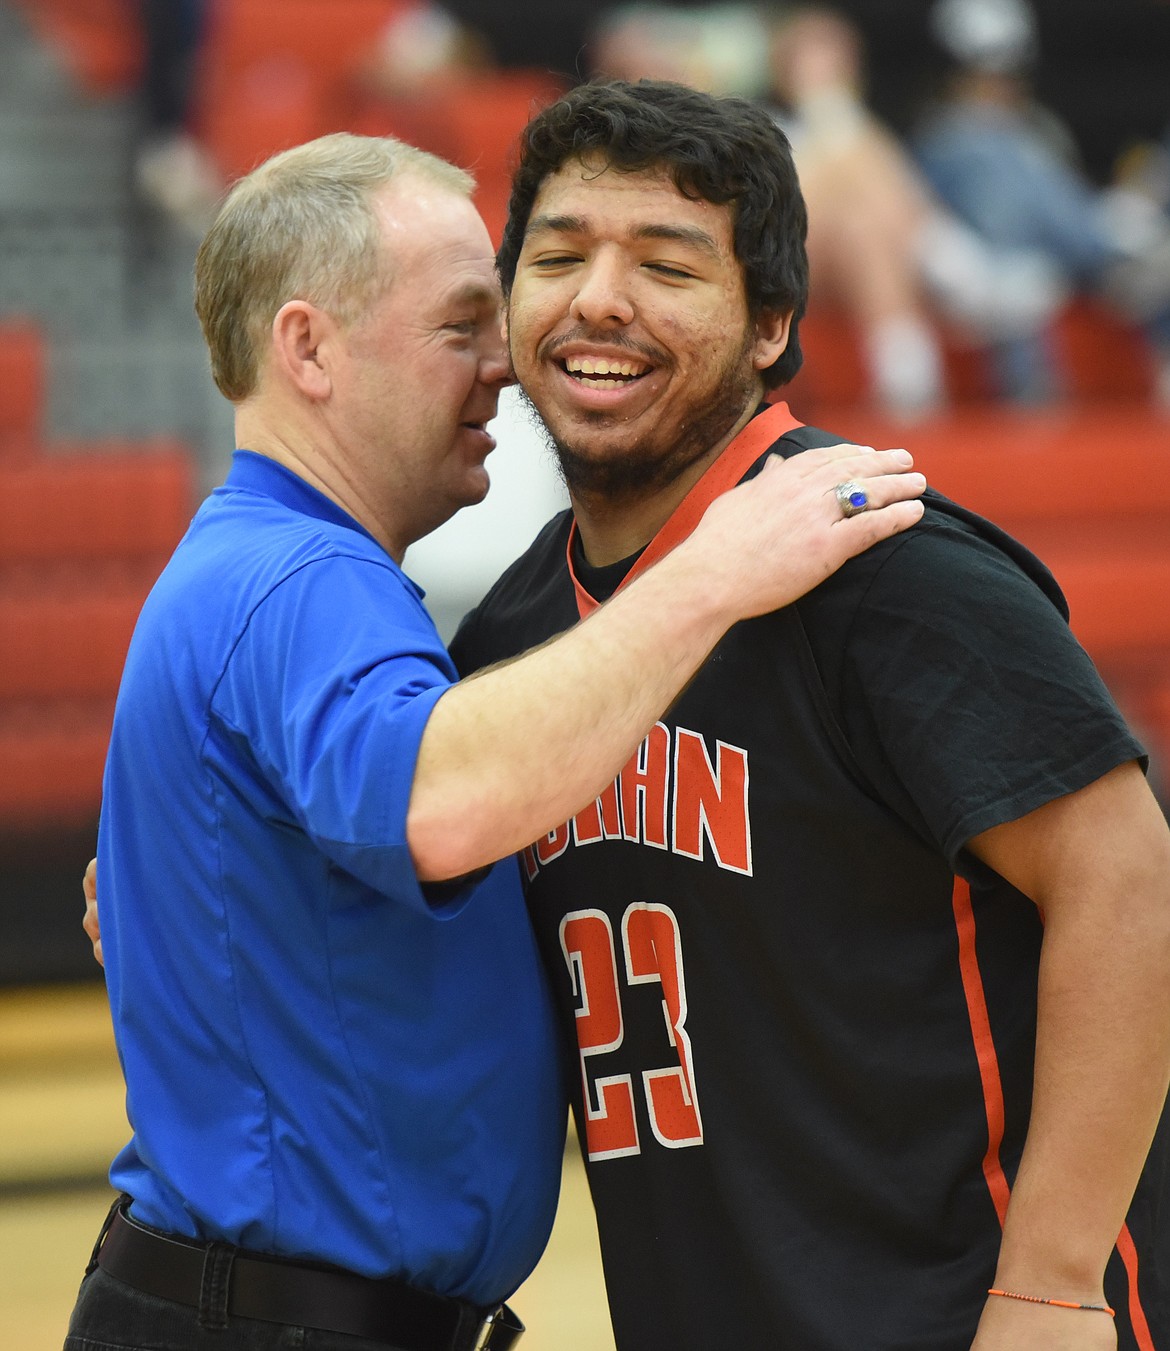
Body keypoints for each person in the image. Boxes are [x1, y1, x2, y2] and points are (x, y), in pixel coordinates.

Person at [64, 129, 924, 1351]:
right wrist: (710, 573)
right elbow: (442, 805)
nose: (505, 369)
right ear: (307, 347)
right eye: (460, 324)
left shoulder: (278, 574)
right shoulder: (297, 579)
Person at [447, 79, 1170, 1349]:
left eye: (667, 264)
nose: (598, 296)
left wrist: (1053, 1281)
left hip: (967, 1312)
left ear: (771, 322)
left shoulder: (888, 564)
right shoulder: (514, 641)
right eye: (557, 255)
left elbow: (1133, 883)